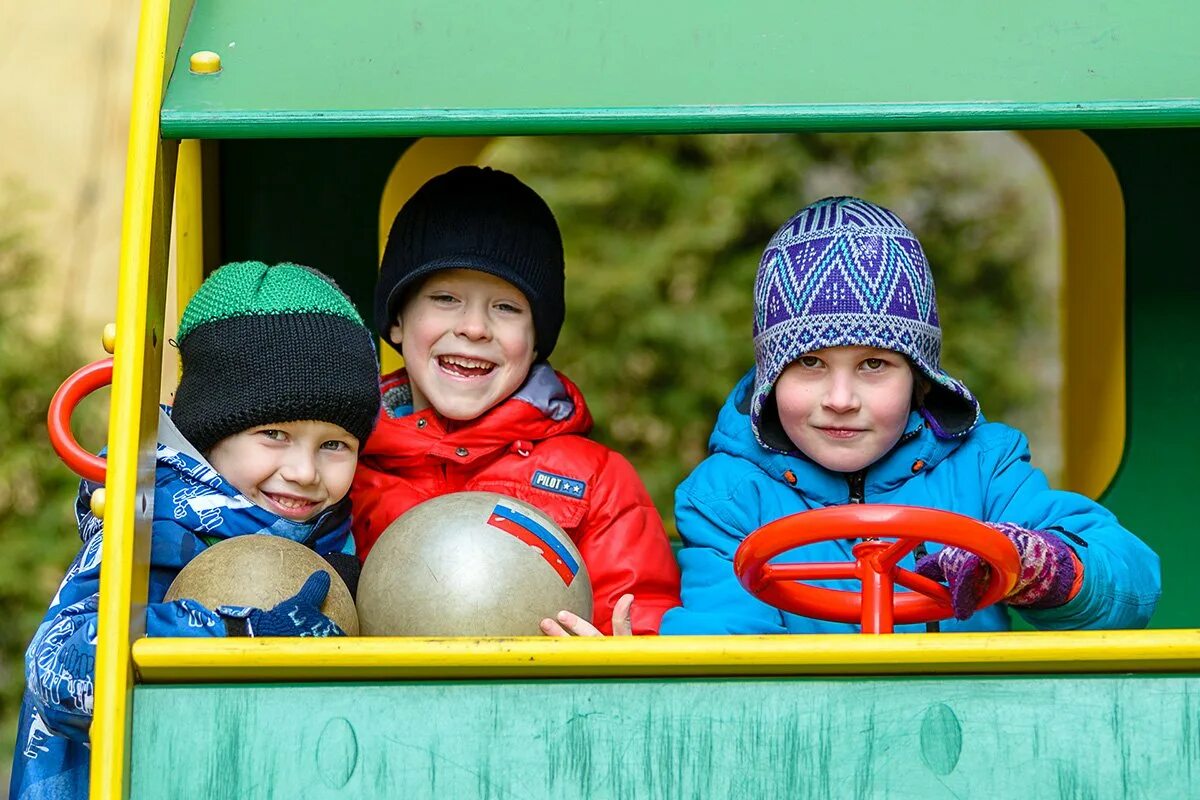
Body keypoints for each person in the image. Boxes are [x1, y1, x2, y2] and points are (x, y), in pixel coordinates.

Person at [658, 196, 1160, 635]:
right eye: (809, 363)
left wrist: (1038, 567)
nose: (840, 398)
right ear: (771, 377)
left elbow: (1131, 583)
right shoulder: (727, 497)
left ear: (919, 378)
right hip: (807, 736)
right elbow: (723, 646)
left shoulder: (985, 471)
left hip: (962, 733)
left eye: (873, 364)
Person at [10, 261, 382, 800]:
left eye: (335, 445)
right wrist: (234, 636)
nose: (305, 471)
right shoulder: (156, 520)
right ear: (210, 434)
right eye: (274, 434)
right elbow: (57, 664)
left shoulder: (335, 538)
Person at [351, 165, 680, 636]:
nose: (474, 327)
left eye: (506, 307)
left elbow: (643, 616)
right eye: (445, 298)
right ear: (398, 321)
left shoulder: (596, 481)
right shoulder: (347, 461)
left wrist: (619, 654)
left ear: (537, 339)